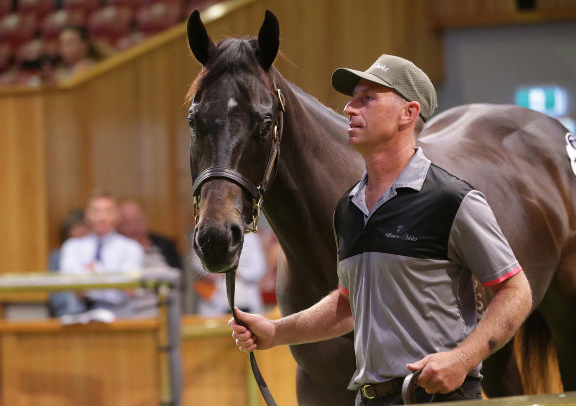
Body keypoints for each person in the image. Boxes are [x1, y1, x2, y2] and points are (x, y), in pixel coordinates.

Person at [229, 54, 533, 405]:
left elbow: (516, 290)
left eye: (367, 99)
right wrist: (277, 331)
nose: (349, 109)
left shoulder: (451, 199)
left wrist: (463, 359)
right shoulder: (348, 208)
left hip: (441, 397)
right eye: (352, 98)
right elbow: (349, 305)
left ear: (408, 113)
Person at [59, 190, 144, 317]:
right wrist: (112, 276)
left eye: (107, 211)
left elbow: (130, 288)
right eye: (96, 211)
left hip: (120, 316)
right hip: (81, 314)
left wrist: (94, 272)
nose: (101, 217)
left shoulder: (131, 248)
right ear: (87, 215)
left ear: (117, 215)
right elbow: (73, 284)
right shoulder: (72, 246)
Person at [192, 231, 267, 317]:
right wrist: (215, 271)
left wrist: (234, 271)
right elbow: (197, 264)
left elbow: (258, 269)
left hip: (246, 301)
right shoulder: (204, 232)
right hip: (215, 303)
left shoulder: (249, 236)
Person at [117, 199, 183, 271]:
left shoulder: (164, 244)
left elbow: (180, 273)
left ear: (144, 221)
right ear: (118, 227)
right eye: (127, 224)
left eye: (137, 222)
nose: (133, 229)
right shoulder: (116, 251)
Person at [48, 208, 91, 316]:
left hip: (92, 306)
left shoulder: (94, 249)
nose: (81, 231)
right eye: (77, 227)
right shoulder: (58, 255)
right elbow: (56, 292)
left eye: (84, 227)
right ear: (68, 231)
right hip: (67, 310)